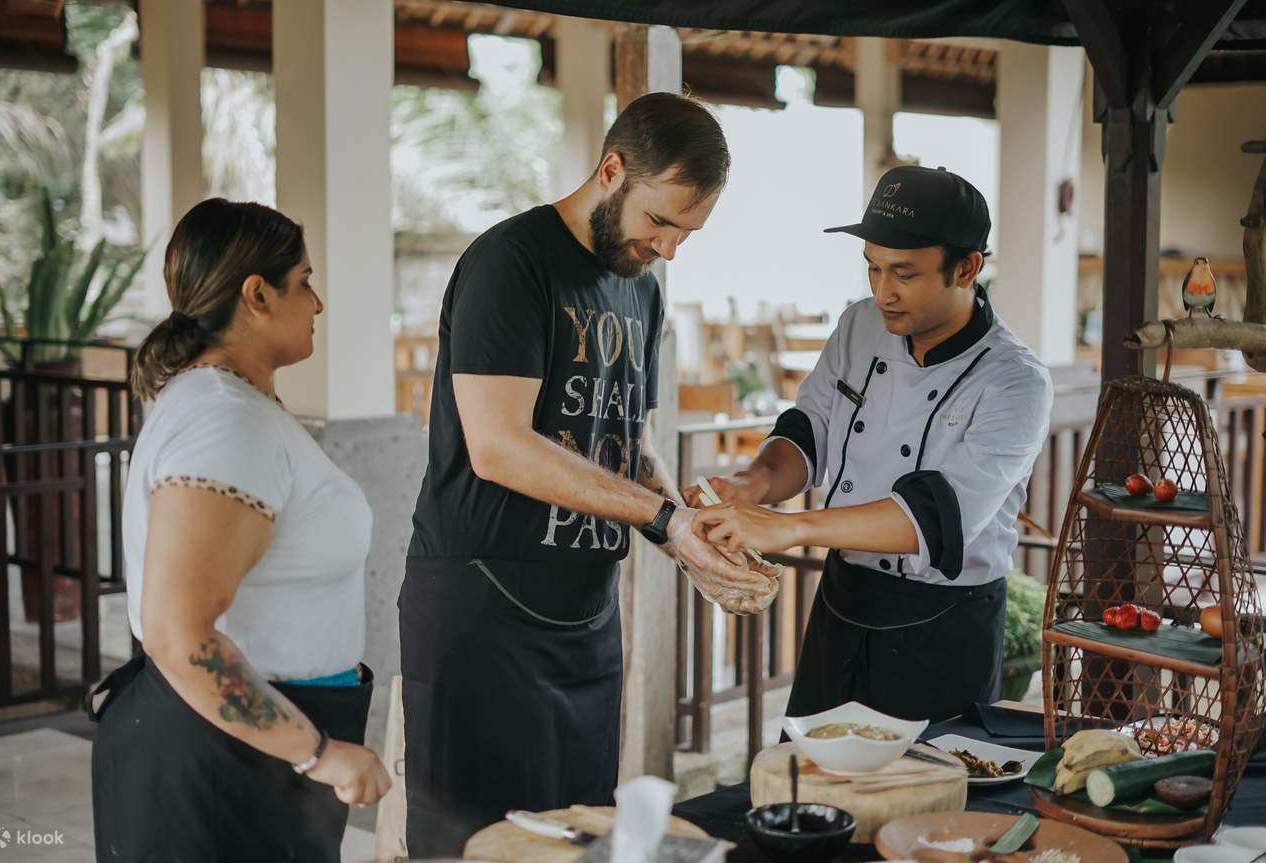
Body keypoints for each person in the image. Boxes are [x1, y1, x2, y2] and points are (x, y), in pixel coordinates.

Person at [400, 92, 778, 855]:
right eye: (659, 221)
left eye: (687, 232)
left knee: (580, 839)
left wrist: (687, 535)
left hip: (585, 615)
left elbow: (626, 437)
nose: (668, 247)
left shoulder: (641, 285)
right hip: (482, 608)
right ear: (611, 171)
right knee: (477, 847)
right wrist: (660, 518)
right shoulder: (511, 262)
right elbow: (497, 445)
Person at [689, 166, 1053, 724]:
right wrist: (750, 485)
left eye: (904, 273)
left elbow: (935, 517)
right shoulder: (859, 326)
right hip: (843, 599)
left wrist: (790, 528)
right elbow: (810, 429)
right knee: (807, 773)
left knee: (924, 778)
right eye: (873, 268)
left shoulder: (1015, 381)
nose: (883, 292)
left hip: (944, 626)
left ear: (967, 268)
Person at [89, 198, 391, 863]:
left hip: (244, 748)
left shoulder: (225, 404)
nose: (317, 303)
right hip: (226, 758)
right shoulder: (225, 420)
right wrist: (316, 753)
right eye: (304, 282)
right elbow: (179, 633)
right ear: (257, 295)